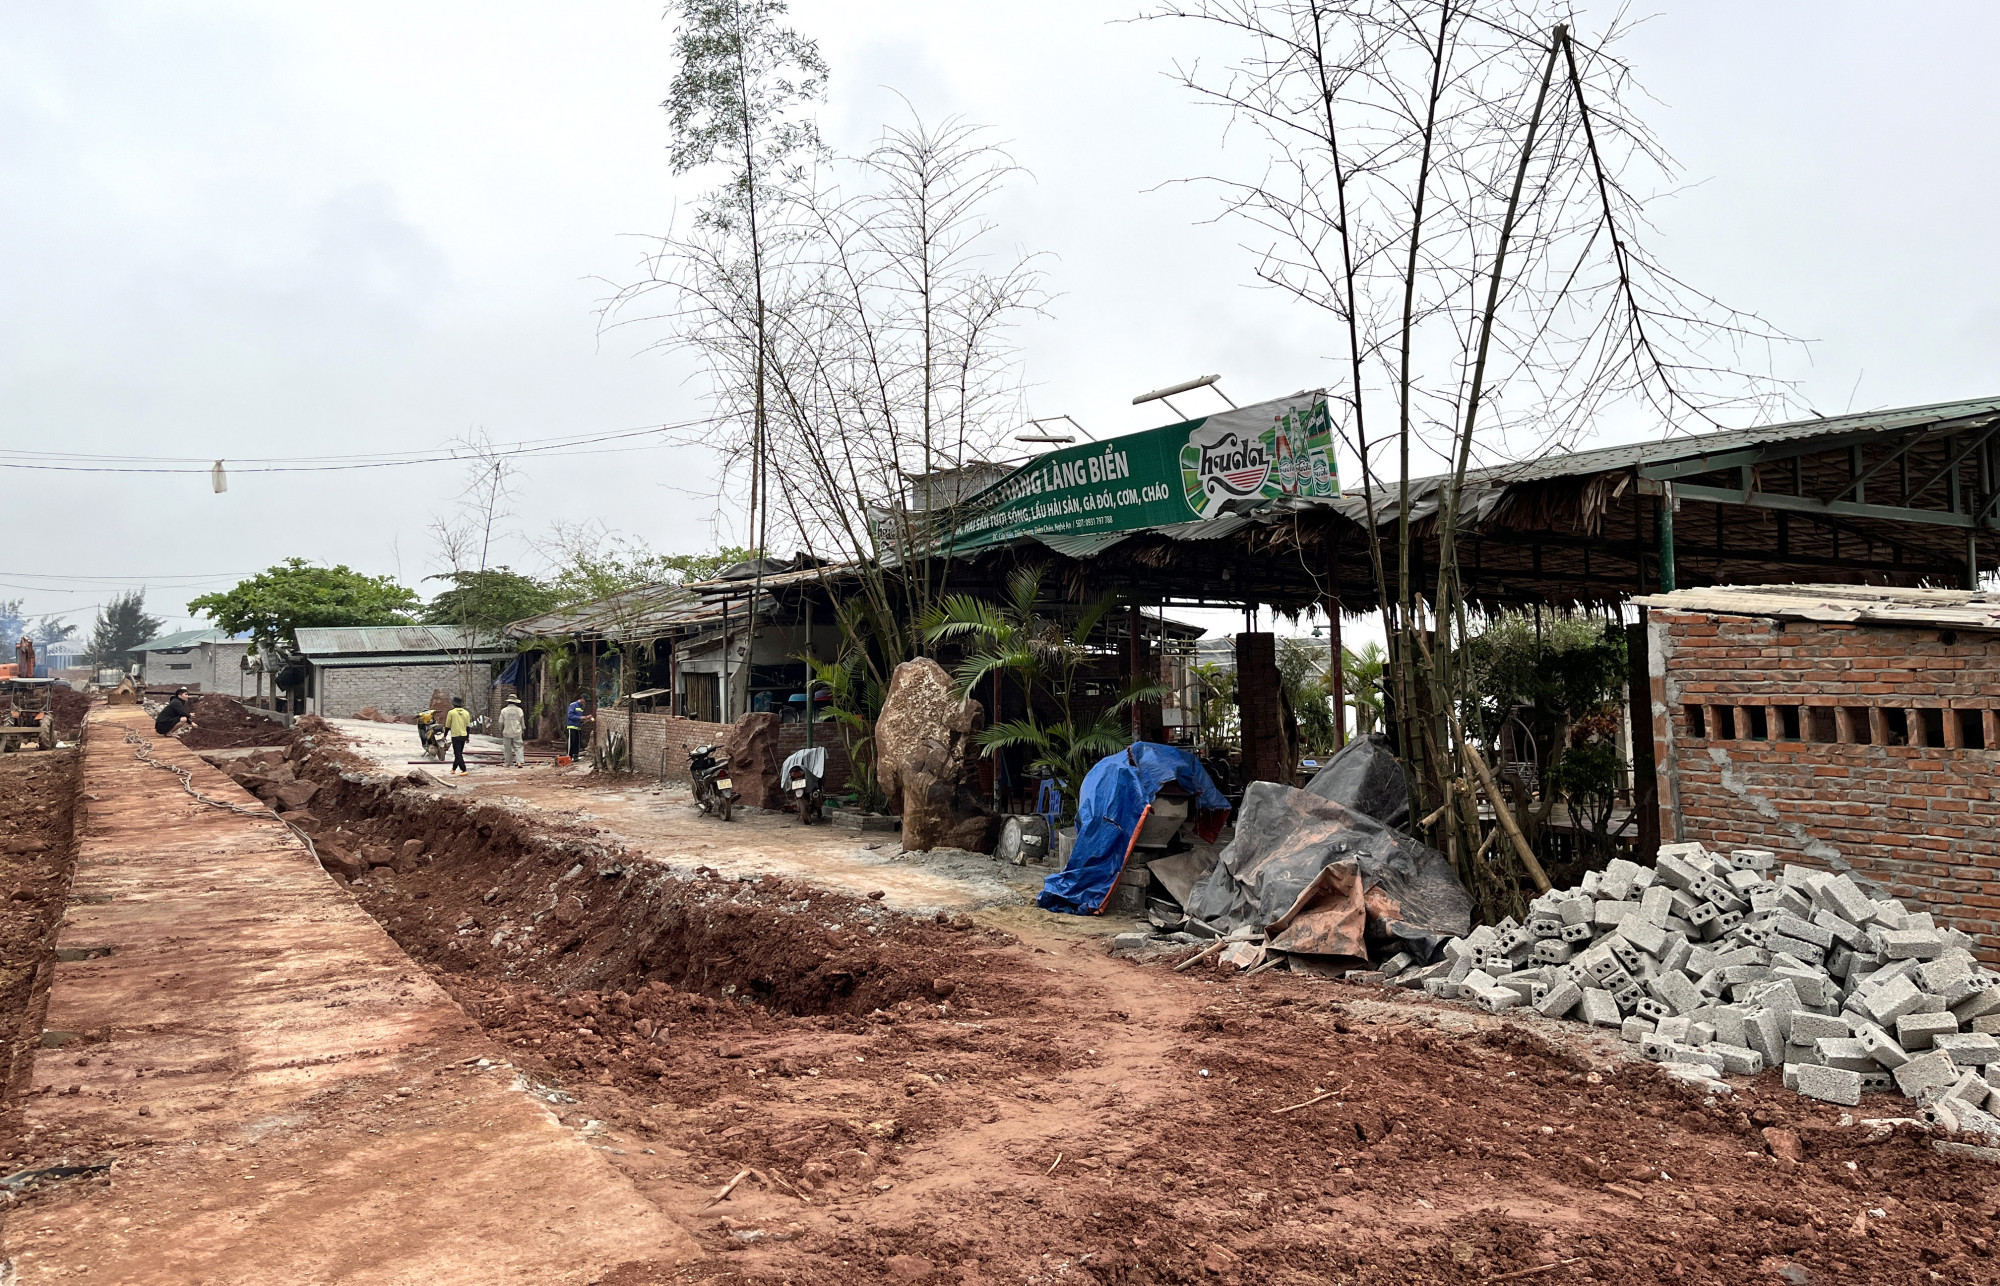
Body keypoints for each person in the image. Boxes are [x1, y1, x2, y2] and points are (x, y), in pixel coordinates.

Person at [445, 696, 472, 775]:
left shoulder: (451, 713)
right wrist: (467, 737)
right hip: (463, 735)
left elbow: (447, 726)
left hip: (455, 736)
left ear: (453, 704)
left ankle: (464, 769)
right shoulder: (466, 713)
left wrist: (445, 735)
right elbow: (468, 726)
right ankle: (453, 769)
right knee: (459, 752)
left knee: (457, 753)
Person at [498, 694, 526, 767]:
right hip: (517, 731)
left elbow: (500, 722)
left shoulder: (503, 711)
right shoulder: (519, 710)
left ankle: (508, 763)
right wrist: (523, 729)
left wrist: (501, 730)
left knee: (507, 748)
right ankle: (519, 762)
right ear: (515, 702)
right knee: (518, 746)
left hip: (506, 732)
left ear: (508, 702)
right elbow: (522, 722)